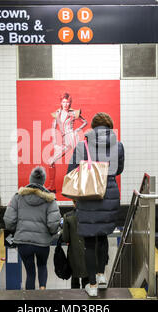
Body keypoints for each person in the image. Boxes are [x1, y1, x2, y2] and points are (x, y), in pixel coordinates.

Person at [66, 112, 125, 297]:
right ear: (109, 126)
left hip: (88, 196)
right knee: (103, 235)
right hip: (109, 195)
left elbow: (71, 171)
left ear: (92, 127)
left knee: (90, 242)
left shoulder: (82, 146)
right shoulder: (119, 146)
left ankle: (91, 285)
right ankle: (101, 275)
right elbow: (119, 169)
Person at [3, 166, 61, 290]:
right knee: (42, 266)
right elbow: (53, 224)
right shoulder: (50, 200)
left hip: (24, 243)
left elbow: (8, 220)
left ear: (30, 179)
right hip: (42, 243)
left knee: (30, 272)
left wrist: (16, 230)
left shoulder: (18, 197)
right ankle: (42, 292)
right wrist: (51, 233)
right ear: (43, 181)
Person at [45, 93, 87, 193]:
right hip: (65, 140)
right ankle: (52, 187)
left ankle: (81, 186)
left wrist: (77, 130)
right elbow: (53, 128)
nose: (65, 104)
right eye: (64, 102)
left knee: (80, 161)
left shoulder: (73, 113)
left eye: (68, 102)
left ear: (70, 103)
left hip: (72, 137)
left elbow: (85, 122)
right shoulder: (57, 113)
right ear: (61, 102)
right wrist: (55, 143)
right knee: (51, 161)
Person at [61, 203, 89, 289]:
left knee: (75, 277)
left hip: (74, 251)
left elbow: (65, 238)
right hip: (88, 251)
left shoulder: (67, 216)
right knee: (87, 277)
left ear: (73, 203)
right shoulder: (90, 215)